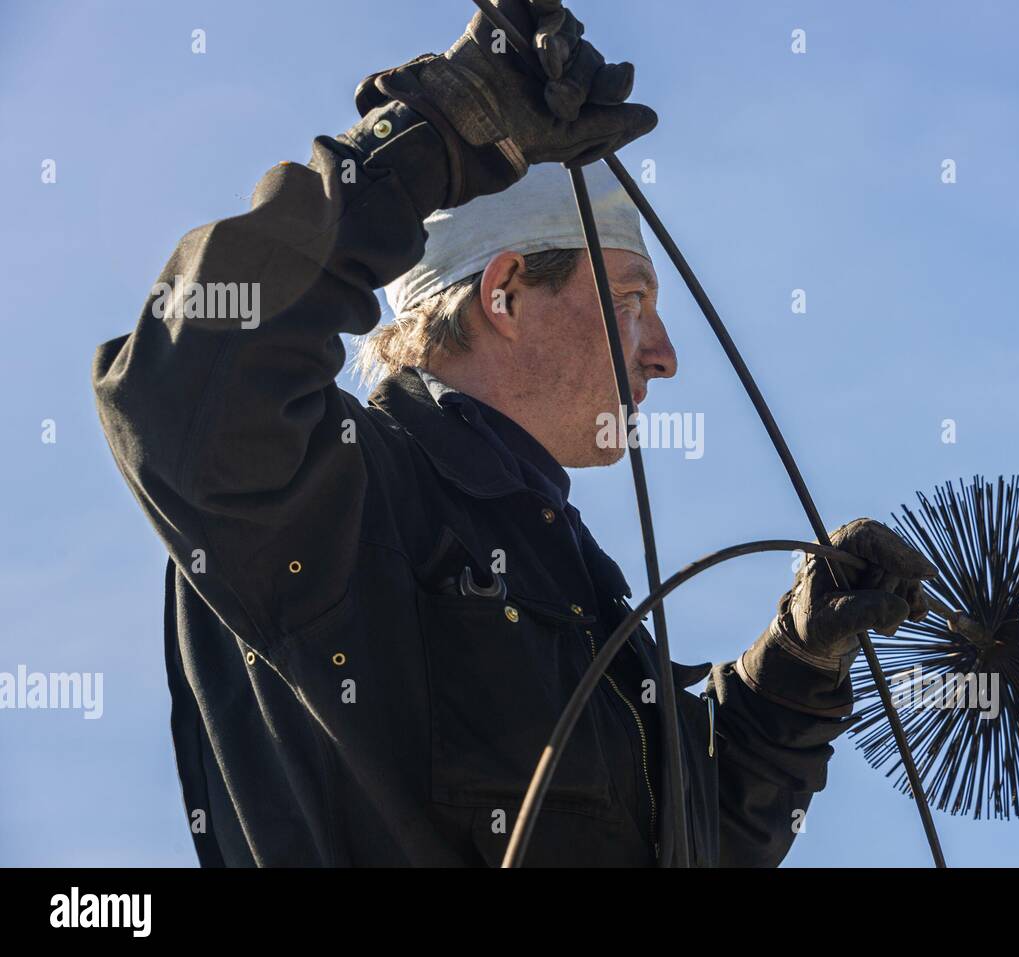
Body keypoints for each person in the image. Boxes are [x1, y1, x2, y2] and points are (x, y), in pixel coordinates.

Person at [91, 0, 936, 867]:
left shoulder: (565, 569)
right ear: (503, 295)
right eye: (633, 303)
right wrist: (438, 132)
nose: (666, 355)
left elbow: (701, 836)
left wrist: (797, 664)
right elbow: (184, 383)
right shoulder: (345, 498)